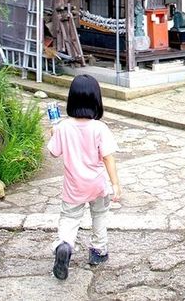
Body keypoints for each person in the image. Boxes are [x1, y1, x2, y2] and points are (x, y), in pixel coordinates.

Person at [48, 74, 122, 280]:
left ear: (71, 99)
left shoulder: (63, 127)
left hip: (73, 186)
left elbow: (54, 152)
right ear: (97, 101)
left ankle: (64, 245)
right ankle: (98, 251)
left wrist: (53, 133)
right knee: (99, 215)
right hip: (97, 184)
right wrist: (115, 184)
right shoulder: (100, 128)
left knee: (69, 218)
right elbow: (108, 158)